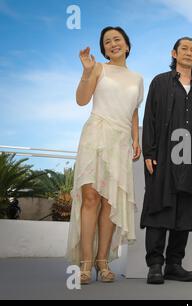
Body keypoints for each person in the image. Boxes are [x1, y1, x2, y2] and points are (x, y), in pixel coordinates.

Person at [66, 26, 144, 284]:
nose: (113, 44)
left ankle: (103, 261)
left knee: (110, 202)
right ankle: (86, 263)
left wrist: (136, 138)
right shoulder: (98, 68)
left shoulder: (137, 78)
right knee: (90, 196)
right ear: (104, 49)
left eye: (117, 39)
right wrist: (87, 72)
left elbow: (133, 111)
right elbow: (81, 100)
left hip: (121, 140)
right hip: (96, 134)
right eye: (107, 41)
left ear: (127, 45)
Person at [141, 37, 192, 285]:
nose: (189, 53)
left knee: (185, 209)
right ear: (174, 53)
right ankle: (155, 265)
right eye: (184, 49)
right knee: (159, 206)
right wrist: (149, 152)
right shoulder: (160, 82)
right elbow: (149, 116)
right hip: (163, 154)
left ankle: (174, 264)